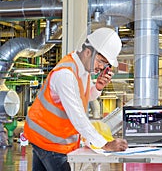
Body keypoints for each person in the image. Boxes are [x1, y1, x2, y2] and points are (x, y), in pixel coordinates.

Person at [23, 27, 128, 171]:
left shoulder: (84, 70)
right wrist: (104, 144)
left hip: (45, 138)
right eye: (101, 61)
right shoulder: (66, 75)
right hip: (51, 142)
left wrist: (98, 87)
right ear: (88, 52)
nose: (102, 67)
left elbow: (85, 96)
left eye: (105, 65)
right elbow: (77, 115)